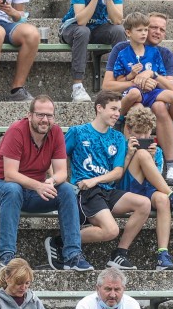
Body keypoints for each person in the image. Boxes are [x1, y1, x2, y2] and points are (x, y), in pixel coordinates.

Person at [0, 96, 91, 271]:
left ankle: (72, 256)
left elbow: (62, 172)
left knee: (67, 190)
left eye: (49, 115)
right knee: (13, 188)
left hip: (31, 192)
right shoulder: (16, 130)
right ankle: (6, 257)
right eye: (40, 115)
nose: (45, 120)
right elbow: (10, 175)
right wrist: (39, 185)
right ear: (30, 115)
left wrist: (51, 181)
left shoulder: (55, 133)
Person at [63, 91, 154, 270]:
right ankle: (62, 242)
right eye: (113, 109)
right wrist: (61, 182)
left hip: (106, 189)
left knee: (144, 204)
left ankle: (120, 254)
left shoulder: (118, 137)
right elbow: (57, 157)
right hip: (87, 192)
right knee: (111, 230)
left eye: (119, 110)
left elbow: (118, 172)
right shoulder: (78, 132)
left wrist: (95, 179)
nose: (116, 114)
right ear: (99, 108)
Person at [105, 14, 173, 185]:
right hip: (132, 99)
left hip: (155, 100)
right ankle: (130, 164)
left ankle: (171, 166)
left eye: (161, 29)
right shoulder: (122, 50)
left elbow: (171, 87)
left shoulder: (162, 54)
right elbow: (109, 85)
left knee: (161, 107)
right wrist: (135, 80)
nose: (156, 32)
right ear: (131, 31)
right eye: (152, 27)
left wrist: (151, 76)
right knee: (138, 105)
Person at [61, 0, 127, 104]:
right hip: (72, 28)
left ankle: (120, 83)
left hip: (99, 28)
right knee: (83, 31)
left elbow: (117, 19)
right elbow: (81, 20)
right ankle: (77, 86)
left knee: (119, 31)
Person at [121, 106, 173, 269]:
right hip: (125, 188)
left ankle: (163, 253)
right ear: (128, 129)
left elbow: (157, 180)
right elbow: (116, 175)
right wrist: (129, 154)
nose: (142, 137)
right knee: (141, 154)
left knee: (162, 199)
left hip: (148, 190)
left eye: (146, 133)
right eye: (138, 133)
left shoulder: (158, 151)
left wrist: (153, 159)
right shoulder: (121, 145)